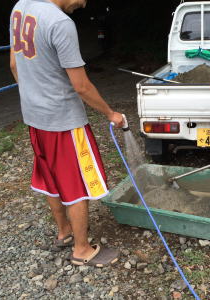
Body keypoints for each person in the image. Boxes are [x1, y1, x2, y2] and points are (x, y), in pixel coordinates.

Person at [9, 0, 124, 266]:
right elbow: (81, 86)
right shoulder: (60, 22)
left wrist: (34, 97)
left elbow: (15, 65)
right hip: (63, 121)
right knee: (77, 183)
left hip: (35, 118)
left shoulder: (20, 6)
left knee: (51, 177)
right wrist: (110, 113)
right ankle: (82, 250)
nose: (83, 4)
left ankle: (64, 232)